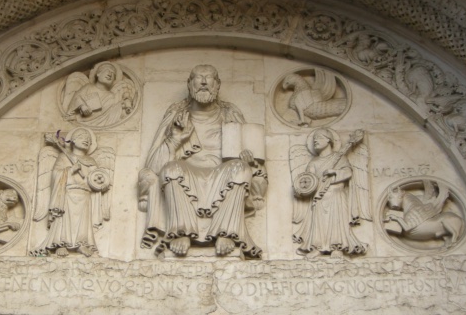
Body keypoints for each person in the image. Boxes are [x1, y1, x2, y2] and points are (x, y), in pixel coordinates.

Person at [138, 65, 267, 258]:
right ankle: (181, 232)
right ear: (189, 84)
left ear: (218, 84)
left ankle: (227, 233)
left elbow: (256, 171)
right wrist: (175, 139)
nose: (204, 82)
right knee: (170, 169)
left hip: (223, 174)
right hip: (186, 172)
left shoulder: (230, 113)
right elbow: (154, 167)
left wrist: (248, 160)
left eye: (209, 78)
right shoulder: (177, 113)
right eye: (199, 78)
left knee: (240, 168)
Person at [34, 128, 112, 257]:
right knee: (64, 219)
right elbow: (55, 175)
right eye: (82, 136)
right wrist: (70, 170)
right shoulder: (64, 157)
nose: (86, 139)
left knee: (83, 221)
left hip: (85, 194)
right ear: (73, 140)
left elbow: (96, 179)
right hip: (68, 193)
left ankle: (82, 244)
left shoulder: (91, 161)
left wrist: (98, 182)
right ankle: (61, 244)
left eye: (88, 138)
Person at [292, 128, 369, 257]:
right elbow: (308, 180)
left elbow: (348, 172)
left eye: (319, 137)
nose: (315, 140)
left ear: (329, 140)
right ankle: (318, 247)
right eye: (314, 138)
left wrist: (334, 172)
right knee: (318, 223)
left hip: (336, 195)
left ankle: (337, 248)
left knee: (336, 222)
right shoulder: (314, 162)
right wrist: (302, 188)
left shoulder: (339, 158)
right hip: (320, 197)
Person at [61, 62, 135, 127]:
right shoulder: (88, 87)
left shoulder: (111, 96)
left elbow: (107, 113)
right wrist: (82, 106)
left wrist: (123, 105)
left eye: (113, 74)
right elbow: (76, 99)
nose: (110, 74)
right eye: (107, 70)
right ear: (98, 74)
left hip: (99, 123)